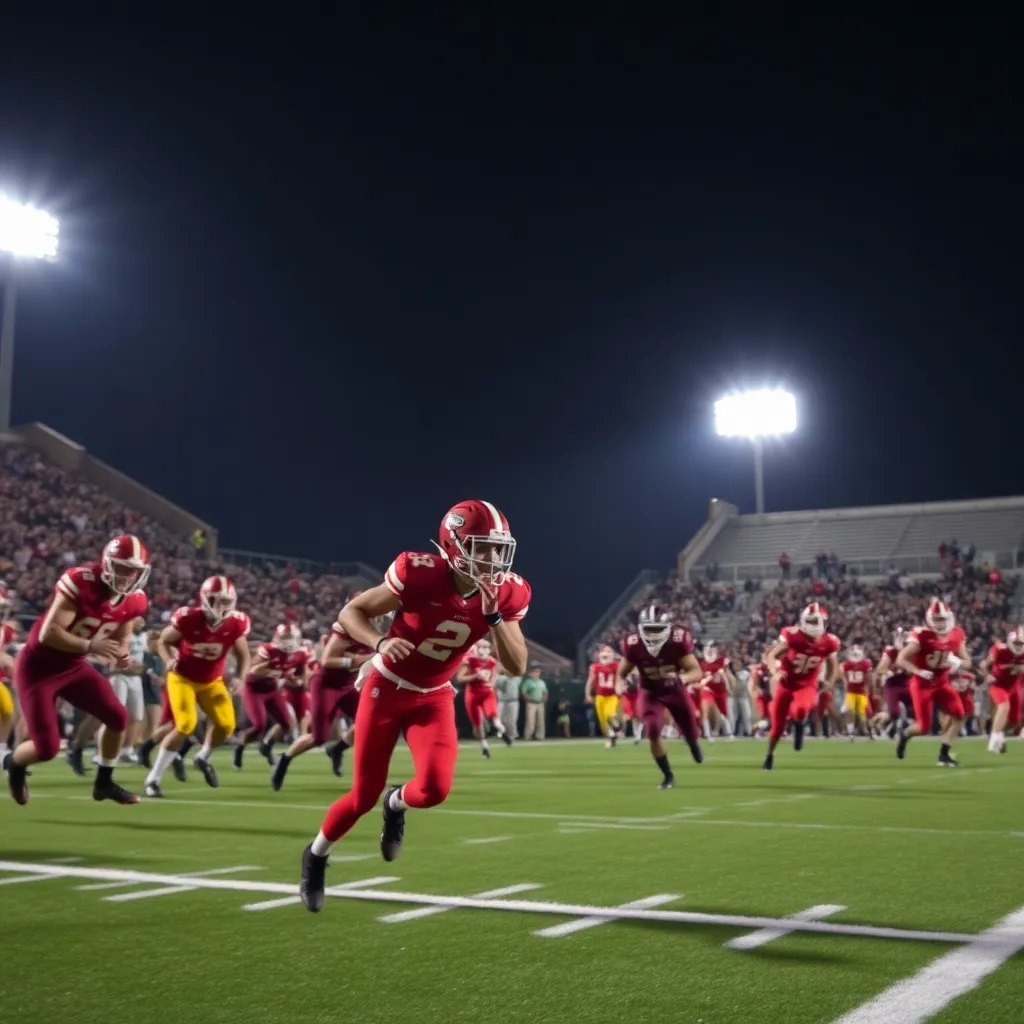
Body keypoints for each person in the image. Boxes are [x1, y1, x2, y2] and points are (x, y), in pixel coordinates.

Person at [299, 499, 530, 913]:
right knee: (361, 796)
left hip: (436, 694)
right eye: (483, 547)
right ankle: (315, 855)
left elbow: (516, 666)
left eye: (498, 548)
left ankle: (397, 802)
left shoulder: (506, 592)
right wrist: (380, 643)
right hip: (386, 686)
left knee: (435, 789)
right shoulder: (418, 573)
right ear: (454, 544)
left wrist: (494, 619)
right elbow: (353, 611)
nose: (493, 558)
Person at [6, 535, 150, 805]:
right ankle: (14, 763)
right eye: (121, 567)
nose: (127, 575)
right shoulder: (82, 582)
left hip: (74, 667)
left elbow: (124, 620)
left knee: (118, 717)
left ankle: (104, 782)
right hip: (39, 668)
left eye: (134, 570)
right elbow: (48, 634)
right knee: (47, 748)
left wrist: (121, 650)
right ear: (107, 563)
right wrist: (91, 645)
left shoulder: (136, 599)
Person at [145, 576, 251, 796]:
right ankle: (153, 779)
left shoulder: (236, 622)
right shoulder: (188, 618)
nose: (221, 606)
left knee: (226, 726)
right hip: (182, 678)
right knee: (186, 725)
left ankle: (202, 756)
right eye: (215, 600)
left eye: (225, 601)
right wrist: (168, 660)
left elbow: (244, 655)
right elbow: (163, 640)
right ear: (204, 598)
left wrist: (240, 677)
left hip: (212, 681)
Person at [271, 616, 377, 790]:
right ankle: (285, 759)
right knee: (318, 738)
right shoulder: (344, 630)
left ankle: (338, 749)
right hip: (326, 685)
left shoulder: (374, 632)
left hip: (348, 684)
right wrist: (366, 656)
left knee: (369, 720)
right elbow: (327, 660)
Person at [615, 604, 703, 789]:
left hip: (674, 689)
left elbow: (696, 671)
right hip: (650, 691)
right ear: (640, 629)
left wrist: (682, 678)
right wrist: (620, 683)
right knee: (652, 731)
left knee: (689, 727)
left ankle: (692, 741)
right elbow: (621, 672)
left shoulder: (677, 641)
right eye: (649, 629)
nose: (653, 635)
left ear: (668, 629)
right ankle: (668, 775)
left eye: (657, 630)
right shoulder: (633, 644)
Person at [762, 603, 840, 771]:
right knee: (776, 728)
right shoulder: (793, 635)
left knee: (801, 709)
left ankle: (798, 725)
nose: (813, 626)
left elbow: (833, 664)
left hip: (807, 684)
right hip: (785, 683)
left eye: (816, 622)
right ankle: (769, 755)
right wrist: (775, 672)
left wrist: (830, 682)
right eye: (810, 621)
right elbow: (772, 655)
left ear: (824, 623)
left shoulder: (829, 642)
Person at [894, 599, 970, 766]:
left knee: (959, 715)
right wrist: (918, 671)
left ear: (949, 618)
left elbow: (967, 662)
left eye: (942, 619)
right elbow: (901, 659)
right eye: (936, 619)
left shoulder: (957, 634)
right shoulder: (922, 635)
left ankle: (944, 753)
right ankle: (905, 734)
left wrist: (957, 662)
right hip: (922, 685)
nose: (940, 623)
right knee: (923, 727)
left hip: (942, 683)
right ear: (929, 620)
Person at [234, 622, 306, 769]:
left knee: (287, 723)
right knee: (259, 725)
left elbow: (300, 676)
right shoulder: (268, 650)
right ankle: (240, 747)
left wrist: (295, 680)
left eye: (291, 638)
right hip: (255, 689)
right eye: (285, 638)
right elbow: (252, 671)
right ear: (277, 638)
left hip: (272, 689)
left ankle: (266, 745)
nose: (289, 642)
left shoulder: (300, 654)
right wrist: (273, 667)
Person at [456, 638, 512, 758]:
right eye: (482, 647)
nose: (485, 650)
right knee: (477, 723)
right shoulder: (469, 660)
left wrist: (491, 683)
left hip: (487, 693)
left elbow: (494, 675)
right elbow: (460, 678)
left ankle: (501, 731)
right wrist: (475, 676)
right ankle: (484, 746)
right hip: (473, 694)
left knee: (493, 716)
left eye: (486, 648)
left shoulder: (491, 661)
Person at [980, 627, 1024, 753]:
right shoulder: (1000, 649)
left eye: (1021, 644)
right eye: (1016, 643)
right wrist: (987, 675)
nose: (1018, 646)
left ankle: (999, 733)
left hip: (1014, 687)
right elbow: (983, 665)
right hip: (998, 684)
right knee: (1004, 706)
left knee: (1015, 720)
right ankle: (993, 740)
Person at [585, 645, 621, 748]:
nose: (607, 654)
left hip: (612, 695)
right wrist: (587, 693)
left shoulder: (616, 665)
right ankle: (610, 737)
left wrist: (619, 687)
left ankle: (617, 728)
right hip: (600, 696)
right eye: (605, 652)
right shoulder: (595, 666)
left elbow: (620, 676)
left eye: (609, 651)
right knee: (603, 721)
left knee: (610, 715)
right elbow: (590, 681)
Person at [840, 642, 874, 740]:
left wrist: (867, 687)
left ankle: (870, 731)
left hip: (861, 691)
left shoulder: (865, 663)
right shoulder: (846, 664)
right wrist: (845, 681)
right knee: (849, 711)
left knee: (865, 712)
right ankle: (850, 733)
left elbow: (869, 677)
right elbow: (842, 675)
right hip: (851, 691)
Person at [520, 665, 548, 739]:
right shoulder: (527, 682)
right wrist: (530, 699)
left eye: (538, 672)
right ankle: (528, 736)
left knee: (540, 721)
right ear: (531, 673)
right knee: (530, 721)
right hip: (531, 704)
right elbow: (523, 693)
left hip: (540, 703)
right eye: (535, 672)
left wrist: (544, 699)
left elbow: (545, 692)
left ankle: (540, 736)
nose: (537, 673)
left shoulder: (542, 682)